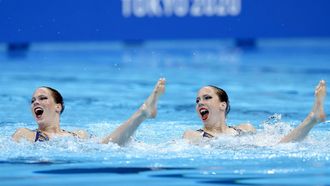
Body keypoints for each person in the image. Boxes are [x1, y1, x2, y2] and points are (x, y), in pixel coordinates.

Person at [12, 78, 166, 146]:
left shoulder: (79, 135)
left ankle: (143, 112)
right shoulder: (25, 135)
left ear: (58, 107)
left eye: (42, 98)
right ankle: (143, 112)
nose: (36, 102)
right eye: (33, 101)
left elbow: (108, 144)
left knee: (109, 144)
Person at [183, 80, 326, 143]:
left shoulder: (246, 128)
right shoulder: (193, 135)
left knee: (278, 146)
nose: (200, 102)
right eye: (197, 100)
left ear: (222, 105)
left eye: (207, 98)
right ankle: (311, 119)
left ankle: (312, 119)